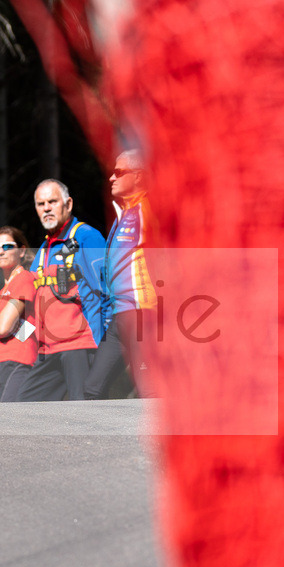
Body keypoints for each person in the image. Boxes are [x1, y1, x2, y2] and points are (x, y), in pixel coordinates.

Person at [17, 179, 108, 401]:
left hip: (81, 345)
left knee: (85, 415)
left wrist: (104, 347)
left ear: (68, 204)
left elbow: (106, 292)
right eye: (40, 204)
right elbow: (37, 303)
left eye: (52, 201)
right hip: (47, 349)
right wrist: (20, 339)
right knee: (21, 409)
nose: (46, 208)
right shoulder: (44, 248)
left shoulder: (86, 236)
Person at [82, 151, 158, 399]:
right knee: (92, 389)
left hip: (141, 314)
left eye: (119, 172)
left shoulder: (149, 209)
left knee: (149, 392)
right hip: (118, 318)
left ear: (138, 177)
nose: (111, 178)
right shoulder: (123, 214)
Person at [0, 226, 37, 402]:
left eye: (8, 246)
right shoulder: (3, 291)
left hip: (17, 361)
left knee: (9, 424)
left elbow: (2, 327)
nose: (1, 252)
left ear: (21, 251)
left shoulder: (24, 278)